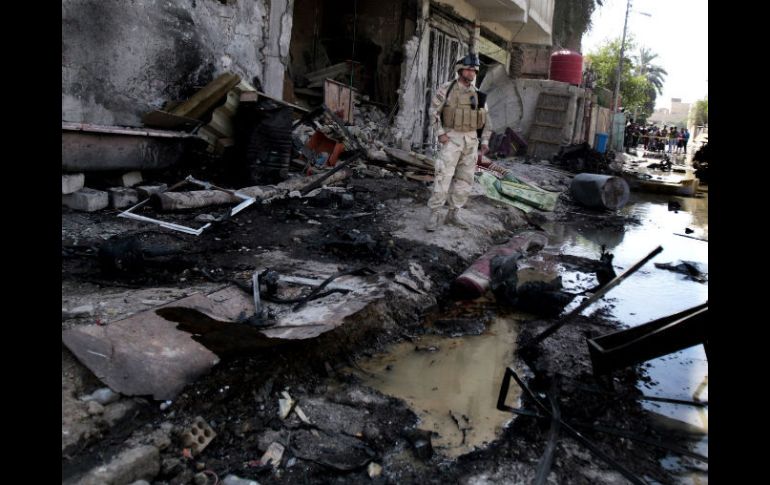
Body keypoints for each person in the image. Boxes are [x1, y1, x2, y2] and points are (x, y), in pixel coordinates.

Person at [425, 53, 491, 231]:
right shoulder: (447, 89)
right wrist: (440, 133)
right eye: (469, 70)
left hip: (471, 141)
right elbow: (433, 111)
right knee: (443, 177)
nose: (472, 73)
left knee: (465, 180)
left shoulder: (478, 95)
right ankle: (435, 214)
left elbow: (485, 120)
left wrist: (484, 140)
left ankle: (454, 213)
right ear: (460, 70)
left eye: (474, 70)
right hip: (452, 139)